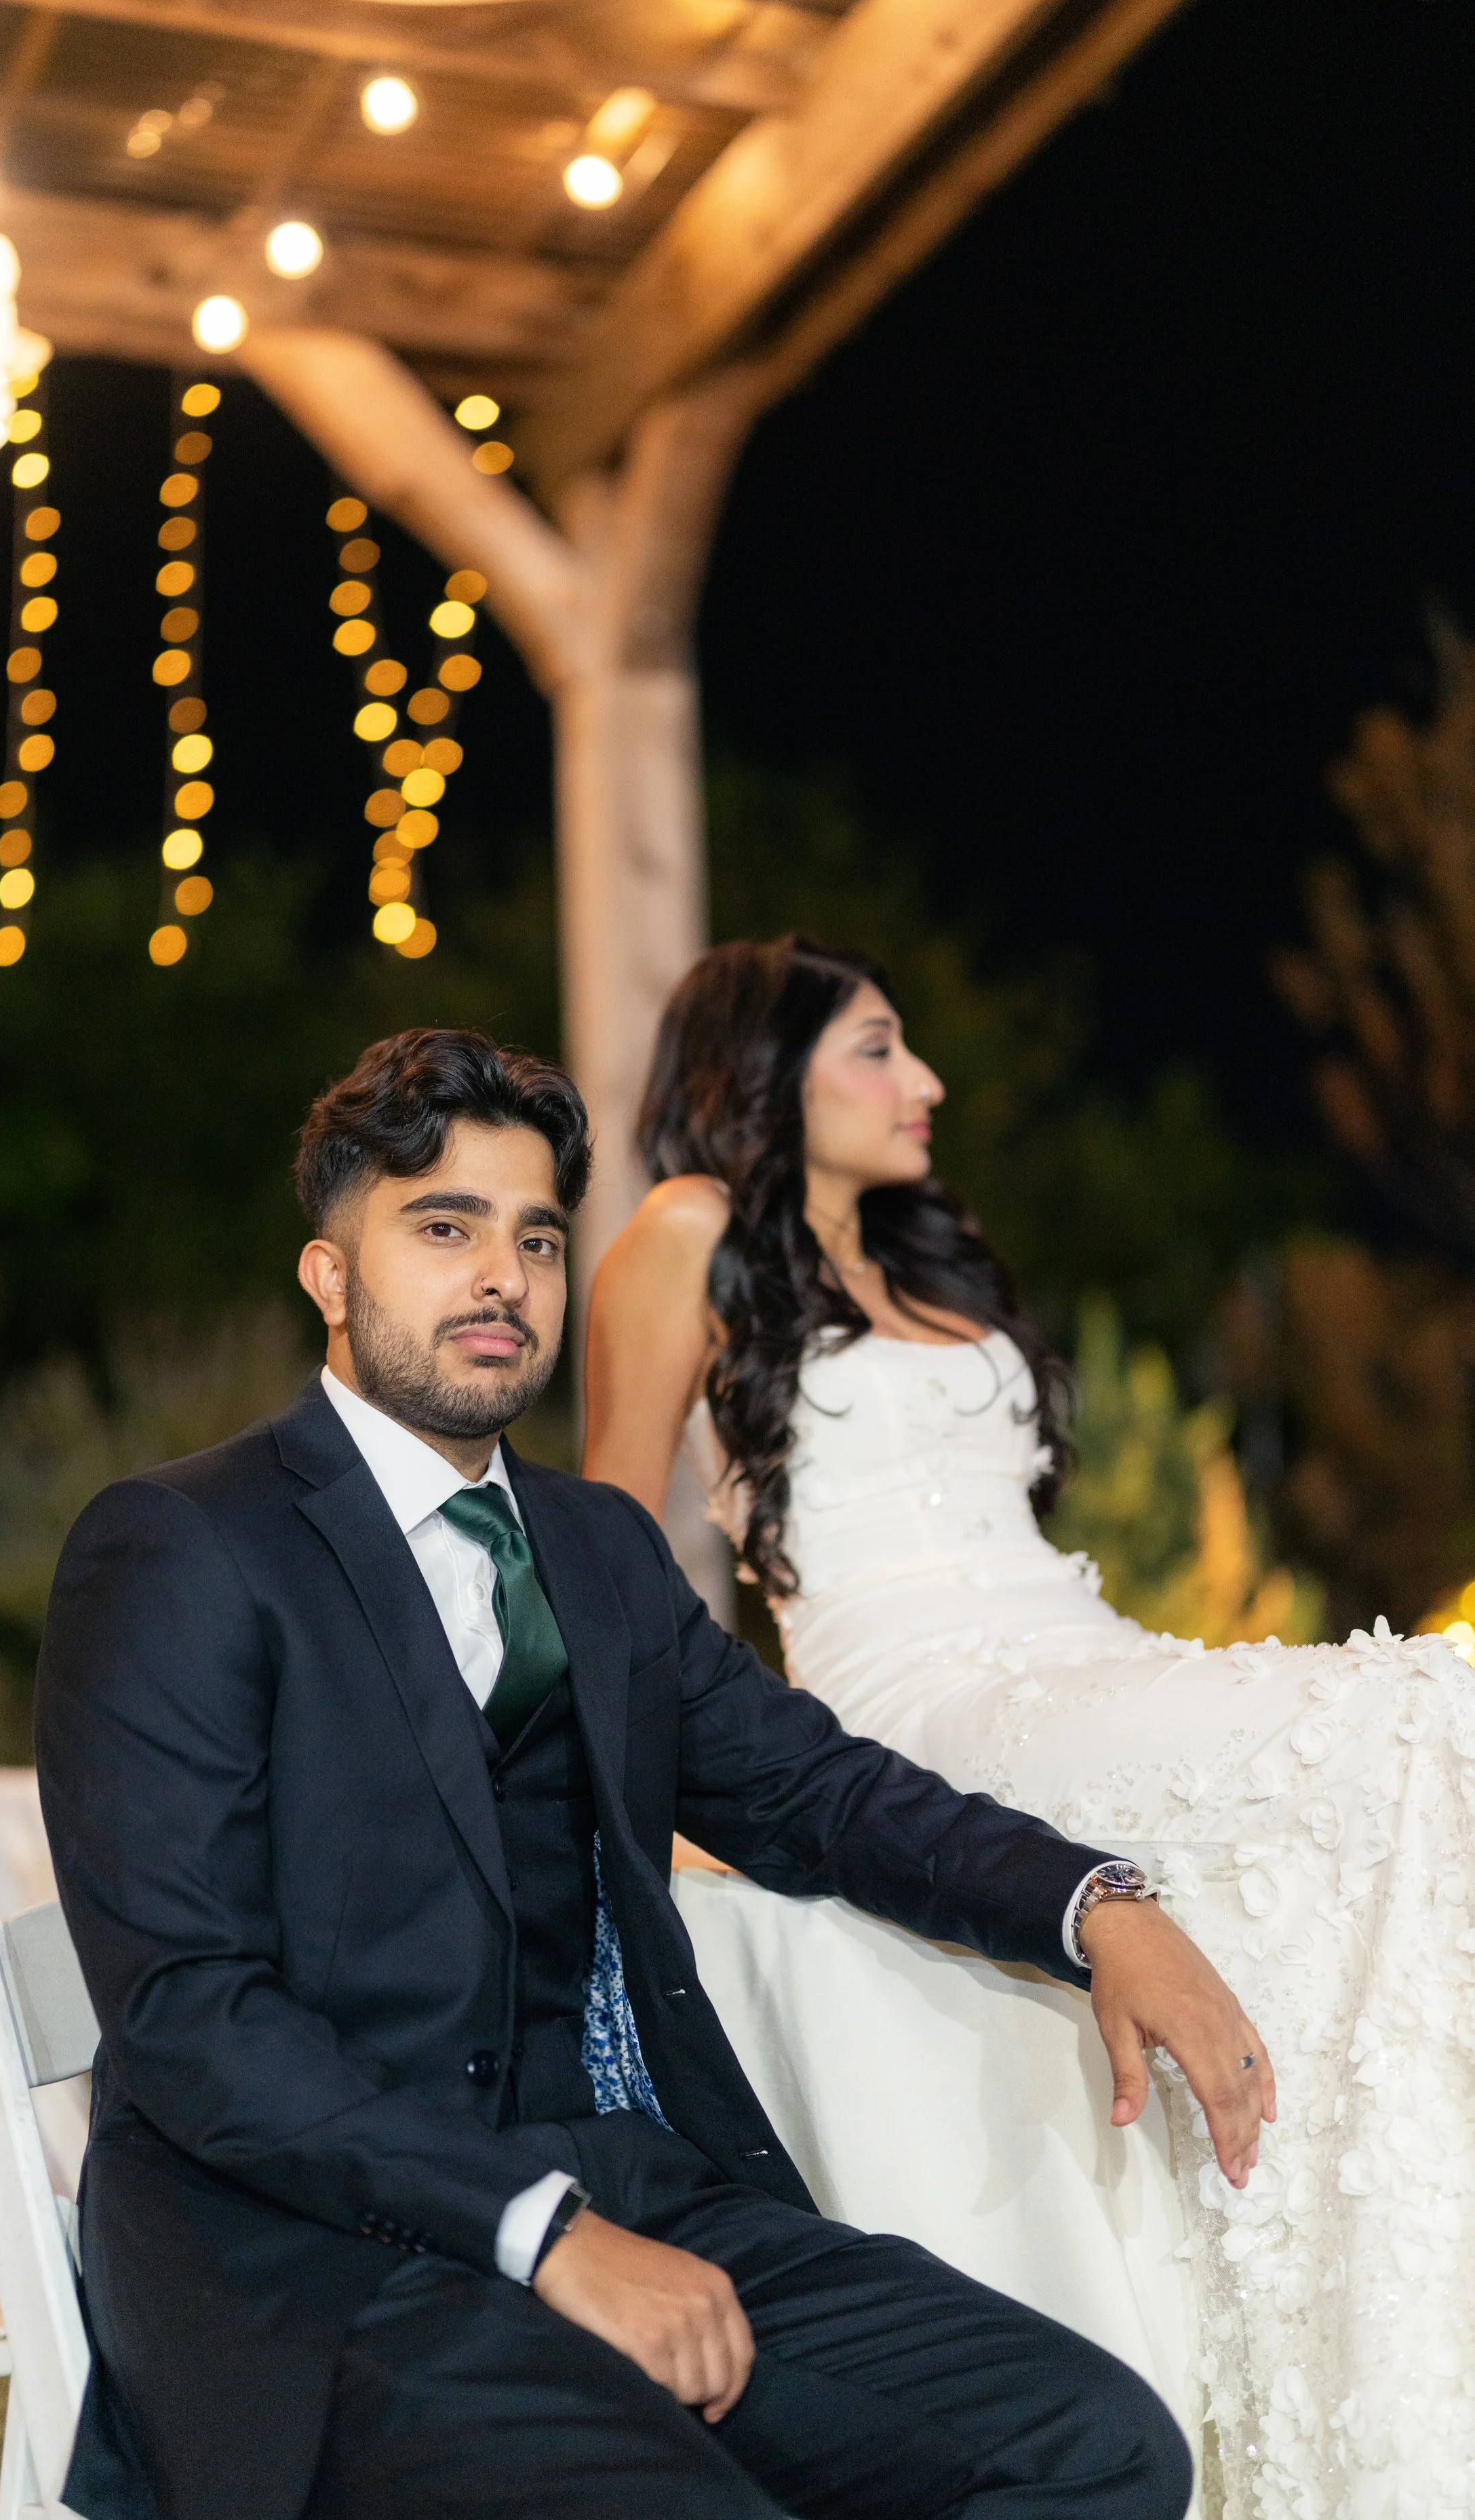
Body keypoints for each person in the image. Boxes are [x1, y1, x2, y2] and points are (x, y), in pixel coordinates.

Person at [32, 1026, 1257, 2520]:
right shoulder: (185, 1546)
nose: (502, 1278)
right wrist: (535, 2227)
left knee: (1093, 2446)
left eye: (535, 1239)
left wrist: (1094, 1907)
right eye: (442, 1228)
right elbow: (187, 2017)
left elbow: (816, 1795)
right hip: (320, 2261)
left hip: (636, 2190)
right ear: (329, 1277)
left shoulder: (598, 1551)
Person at [583, 935, 1475, 2520]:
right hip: (925, 1711)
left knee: (1421, 1749)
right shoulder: (687, 1233)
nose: (921, 1082)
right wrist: (632, 1798)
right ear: (763, 1069)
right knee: (1421, 1709)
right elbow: (603, 1548)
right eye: (874, 1048)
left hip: (1075, 1653)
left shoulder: (933, 1262)